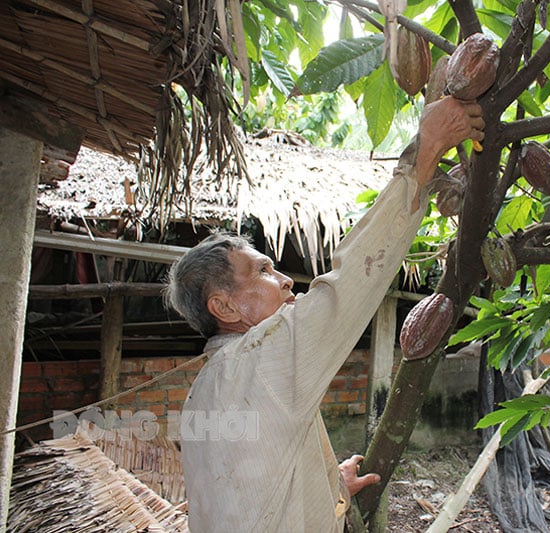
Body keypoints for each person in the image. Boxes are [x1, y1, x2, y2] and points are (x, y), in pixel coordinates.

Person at [165, 96, 484, 532]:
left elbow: (252, 483)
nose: (285, 281)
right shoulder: (261, 358)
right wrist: (424, 153)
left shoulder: (204, 390)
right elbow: (350, 282)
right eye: (262, 270)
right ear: (224, 306)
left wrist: (326, 483)